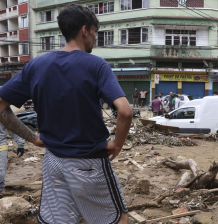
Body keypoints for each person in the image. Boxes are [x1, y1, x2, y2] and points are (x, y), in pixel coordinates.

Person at [0, 4, 132, 224]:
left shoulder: (36, 66)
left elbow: (1, 105)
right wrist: (117, 144)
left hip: (53, 162)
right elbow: (125, 112)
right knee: (118, 218)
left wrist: (33, 138)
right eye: (95, 32)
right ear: (85, 30)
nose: (95, 39)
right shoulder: (97, 65)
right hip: (90, 163)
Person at [0, 115, 25, 196]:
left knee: (0, 174)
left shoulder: (4, 106)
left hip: (1, 145)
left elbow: (13, 127)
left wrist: (20, 144)